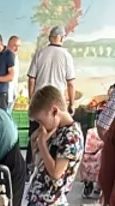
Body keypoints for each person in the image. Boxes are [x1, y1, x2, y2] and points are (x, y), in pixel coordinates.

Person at [25, 26, 76, 167]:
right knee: (55, 137)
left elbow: (31, 79)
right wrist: (71, 104)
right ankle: (51, 165)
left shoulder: (40, 53)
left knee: (35, 134)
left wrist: (32, 99)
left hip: (40, 102)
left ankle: (29, 166)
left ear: (50, 37)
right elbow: (70, 83)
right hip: (56, 105)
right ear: (61, 38)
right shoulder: (66, 56)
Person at [7, 36, 21, 108]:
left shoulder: (15, 57)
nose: (17, 48)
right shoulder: (4, 57)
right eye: (15, 45)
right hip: (5, 95)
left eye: (18, 46)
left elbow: (15, 78)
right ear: (8, 45)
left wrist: (15, 92)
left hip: (12, 94)